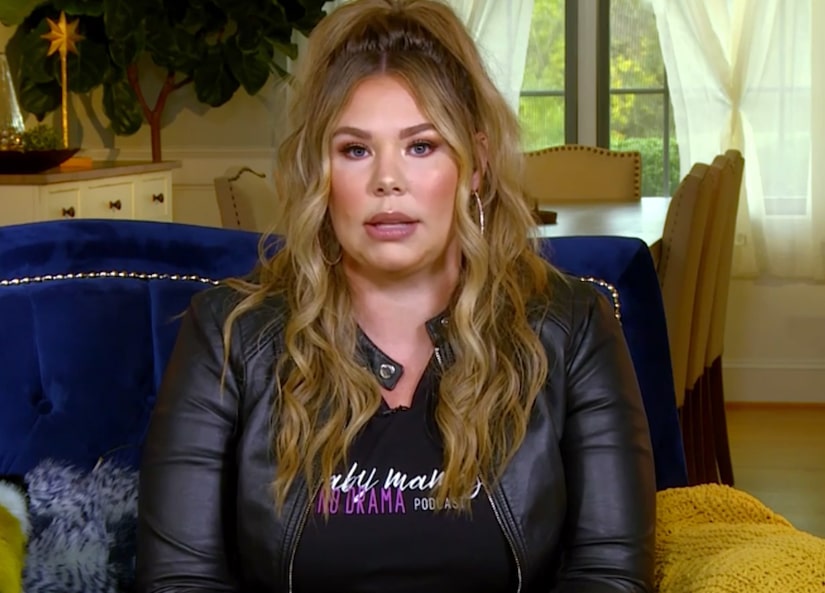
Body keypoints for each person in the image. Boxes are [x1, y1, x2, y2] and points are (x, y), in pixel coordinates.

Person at [136, 0, 656, 591]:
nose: (387, 180)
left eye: (421, 146)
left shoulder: (572, 327)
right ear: (319, 172)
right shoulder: (229, 335)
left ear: (476, 165)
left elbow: (610, 573)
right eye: (355, 150)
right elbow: (179, 580)